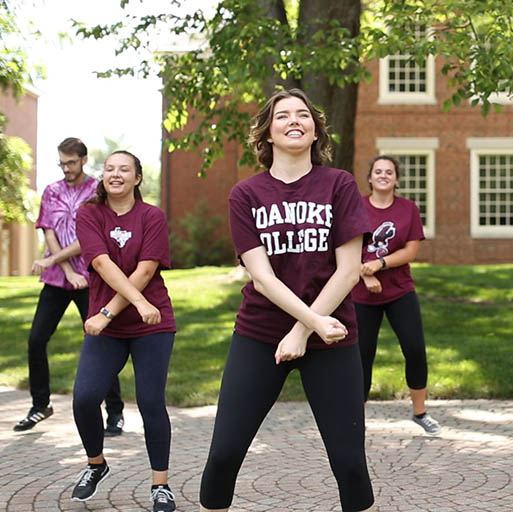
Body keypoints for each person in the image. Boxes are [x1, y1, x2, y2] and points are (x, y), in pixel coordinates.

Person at [198, 89, 374, 512]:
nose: (294, 120)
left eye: (303, 115)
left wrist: (304, 330)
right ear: (268, 133)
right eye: (282, 116)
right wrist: (308, 322)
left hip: (331, 336)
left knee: (350, 463)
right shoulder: (246, 194)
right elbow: (261, 278)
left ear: (315, 130)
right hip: (260, 334)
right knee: (223, 456)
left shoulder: (340, 184)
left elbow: (349, 270)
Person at [70, 150, 177, 512]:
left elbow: (146, 270)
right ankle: (96, 464)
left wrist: (111, 311)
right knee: (85, 398)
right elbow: (101, 264)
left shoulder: (152, 216)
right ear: (102, 177)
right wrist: (118, 311)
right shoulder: (88, 214)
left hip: (152, 325)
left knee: (150, 401)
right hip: (110, 329)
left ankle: (160, 484)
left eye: (124, 169)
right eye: (109, 169)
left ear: (137, 179)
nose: (115, 174)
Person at [14, 137, 124, 435]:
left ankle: (114, 412)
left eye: (71, 163)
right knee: (36, 340)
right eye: (62, 163)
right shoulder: (52, 191)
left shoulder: (96, 192)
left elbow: (88, 239)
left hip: (91, 278)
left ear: (84, 160)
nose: (66, 168)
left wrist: (52, 262)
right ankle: (40, 406)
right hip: (58, 280)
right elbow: (49, 232)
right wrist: (62, 269)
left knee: (102, 341)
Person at [352, 155, 441, 435]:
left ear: (396, 179)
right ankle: (357, 418)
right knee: (362, 355)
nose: (383, 176)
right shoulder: (357, 207)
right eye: (377, 171)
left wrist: (378, 265)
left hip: (400, 291)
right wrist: (365, 275)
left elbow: (411, 251)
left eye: (388, 172)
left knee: (414, 349)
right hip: (361, 295)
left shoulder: (408, 209)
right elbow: (344, 248)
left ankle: (420, 413)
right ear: (369, 178)